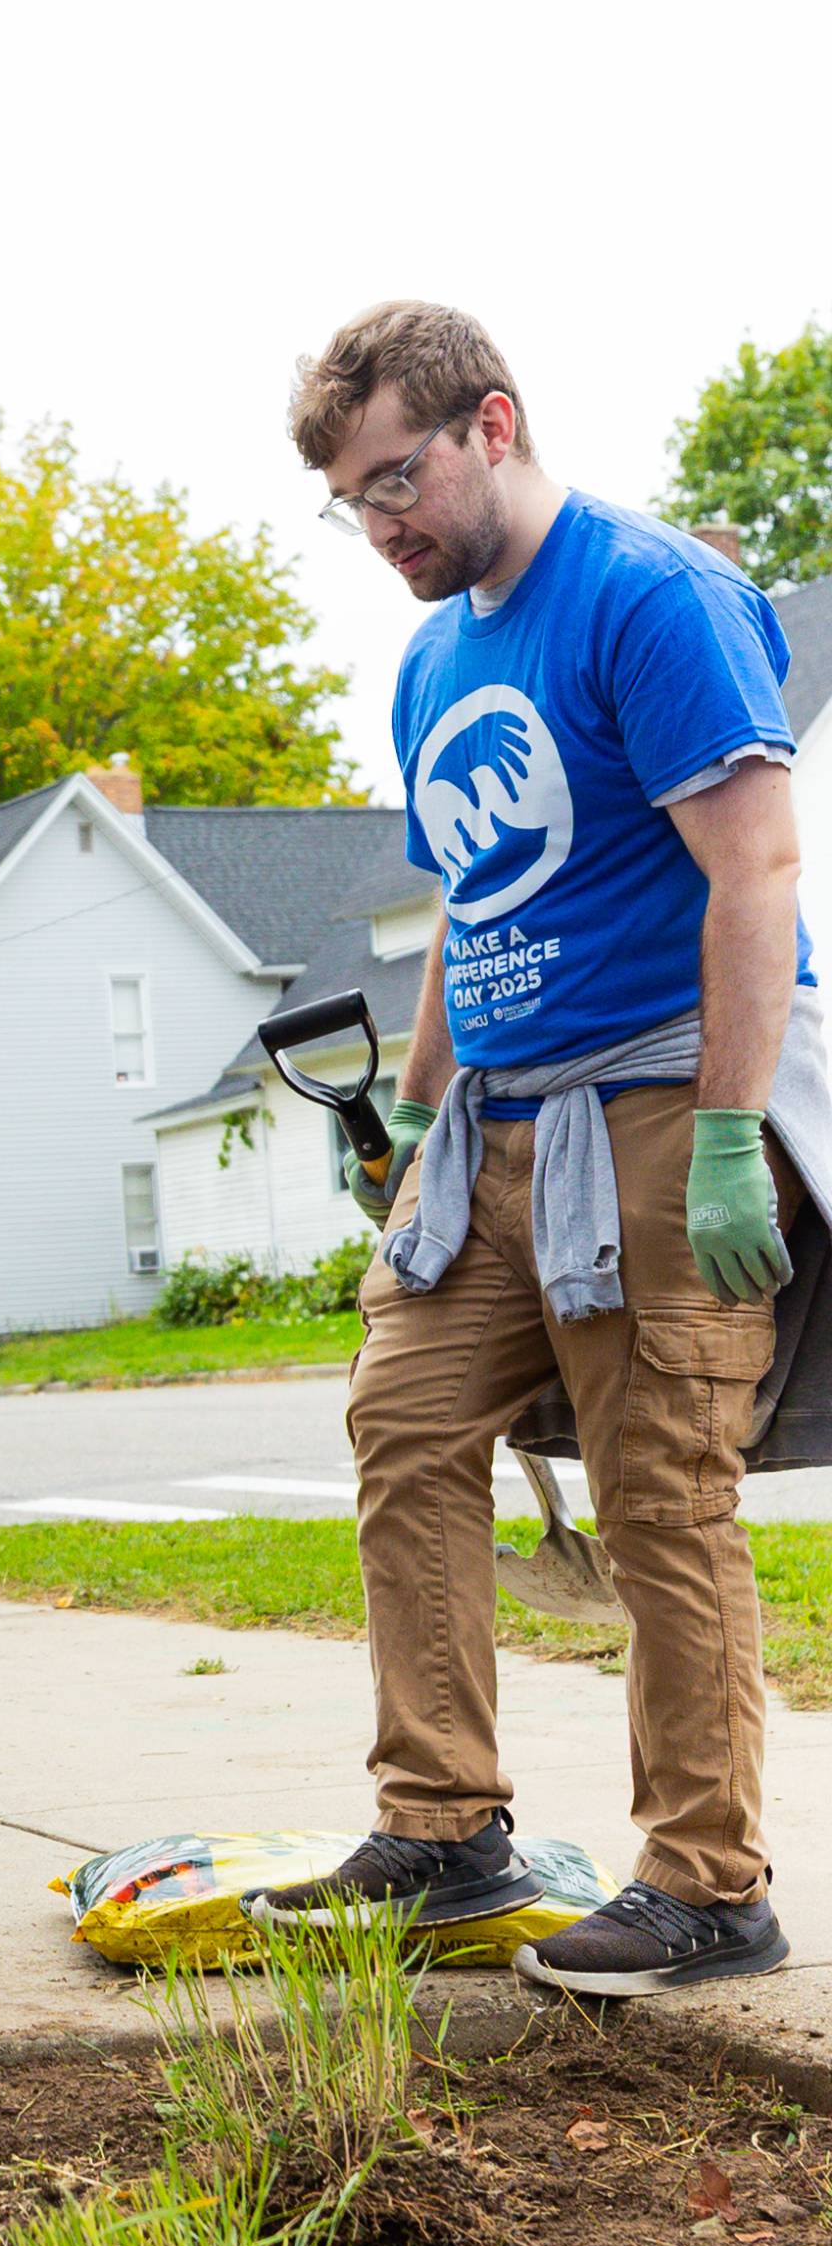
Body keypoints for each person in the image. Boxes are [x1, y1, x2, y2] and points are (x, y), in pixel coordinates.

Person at [258, 299, 832, 1995]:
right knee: (404, 1424)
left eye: (397, 479)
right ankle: (442, 1834)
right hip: (496, 1126)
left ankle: (709, 1884)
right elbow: (472, 900)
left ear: (490, 426)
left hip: (662, 1106)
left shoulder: (652, 597)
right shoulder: (437, 657)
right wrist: (425, 1112)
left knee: (664, 1489)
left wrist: (733, 1134)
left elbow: (757, 874)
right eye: (351, 502)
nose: (382, 527)